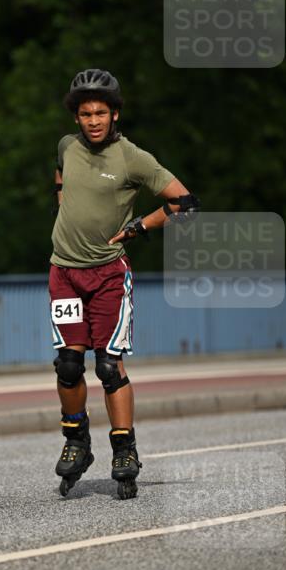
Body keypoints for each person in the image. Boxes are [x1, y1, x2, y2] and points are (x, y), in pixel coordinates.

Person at [50, 68, 199, 498]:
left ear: (115, 114)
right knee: (68, 365)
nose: (93, 120)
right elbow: (59, 172)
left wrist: (139, 227)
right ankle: (77, 441)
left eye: (101, 112)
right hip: (63, 272)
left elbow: (185, 203)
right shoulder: (66, 147)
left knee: (108, 367)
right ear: (75, 118)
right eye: (85, 114)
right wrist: (62, 205)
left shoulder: (132, 158)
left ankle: (124, 449)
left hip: (109, 276)